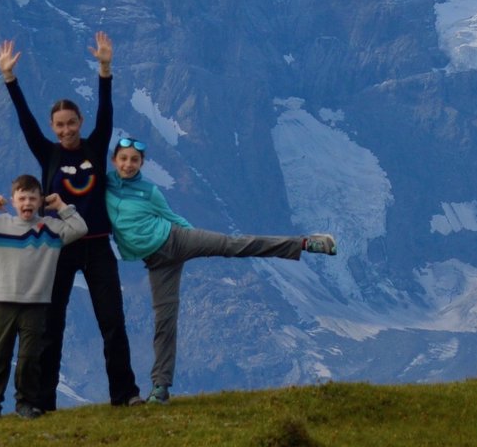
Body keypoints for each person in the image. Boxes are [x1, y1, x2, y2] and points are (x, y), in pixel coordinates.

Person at [105, 135, 337, 403]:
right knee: (164, 321)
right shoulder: (106, 186)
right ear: (114, 161)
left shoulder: (149, 191)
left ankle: (305, 243)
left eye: (134, 160)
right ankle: (161, 388)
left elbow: (171, 217)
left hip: (176, 239)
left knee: (233, 244)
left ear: (141, 163)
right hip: (158, 264)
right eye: (124, 159)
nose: (128, 164)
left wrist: (196, 242)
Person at [0, 32, 140, 407]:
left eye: (71, 123)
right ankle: (43, 401)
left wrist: (105, 68)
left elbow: (107, 111)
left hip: (97, 247)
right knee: (51, 326)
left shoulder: (96, 145)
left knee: (112, 322)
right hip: (58, 248)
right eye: (59, 125)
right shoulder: (47, 154)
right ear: (53, 127)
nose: (66, 130)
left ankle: (125, 394)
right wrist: (10, 79)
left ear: (80, 122)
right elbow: (25, 121)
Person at [0, 175, 86, 419]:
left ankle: (26, 403)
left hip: (36, 304)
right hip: (5, 302)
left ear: (40, 201)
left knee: (30, 357)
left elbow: (80, 228)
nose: (27, 203)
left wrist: (61, 206)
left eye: (32, 198)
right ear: (13, 201)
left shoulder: (51, 229)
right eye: (22, 198)